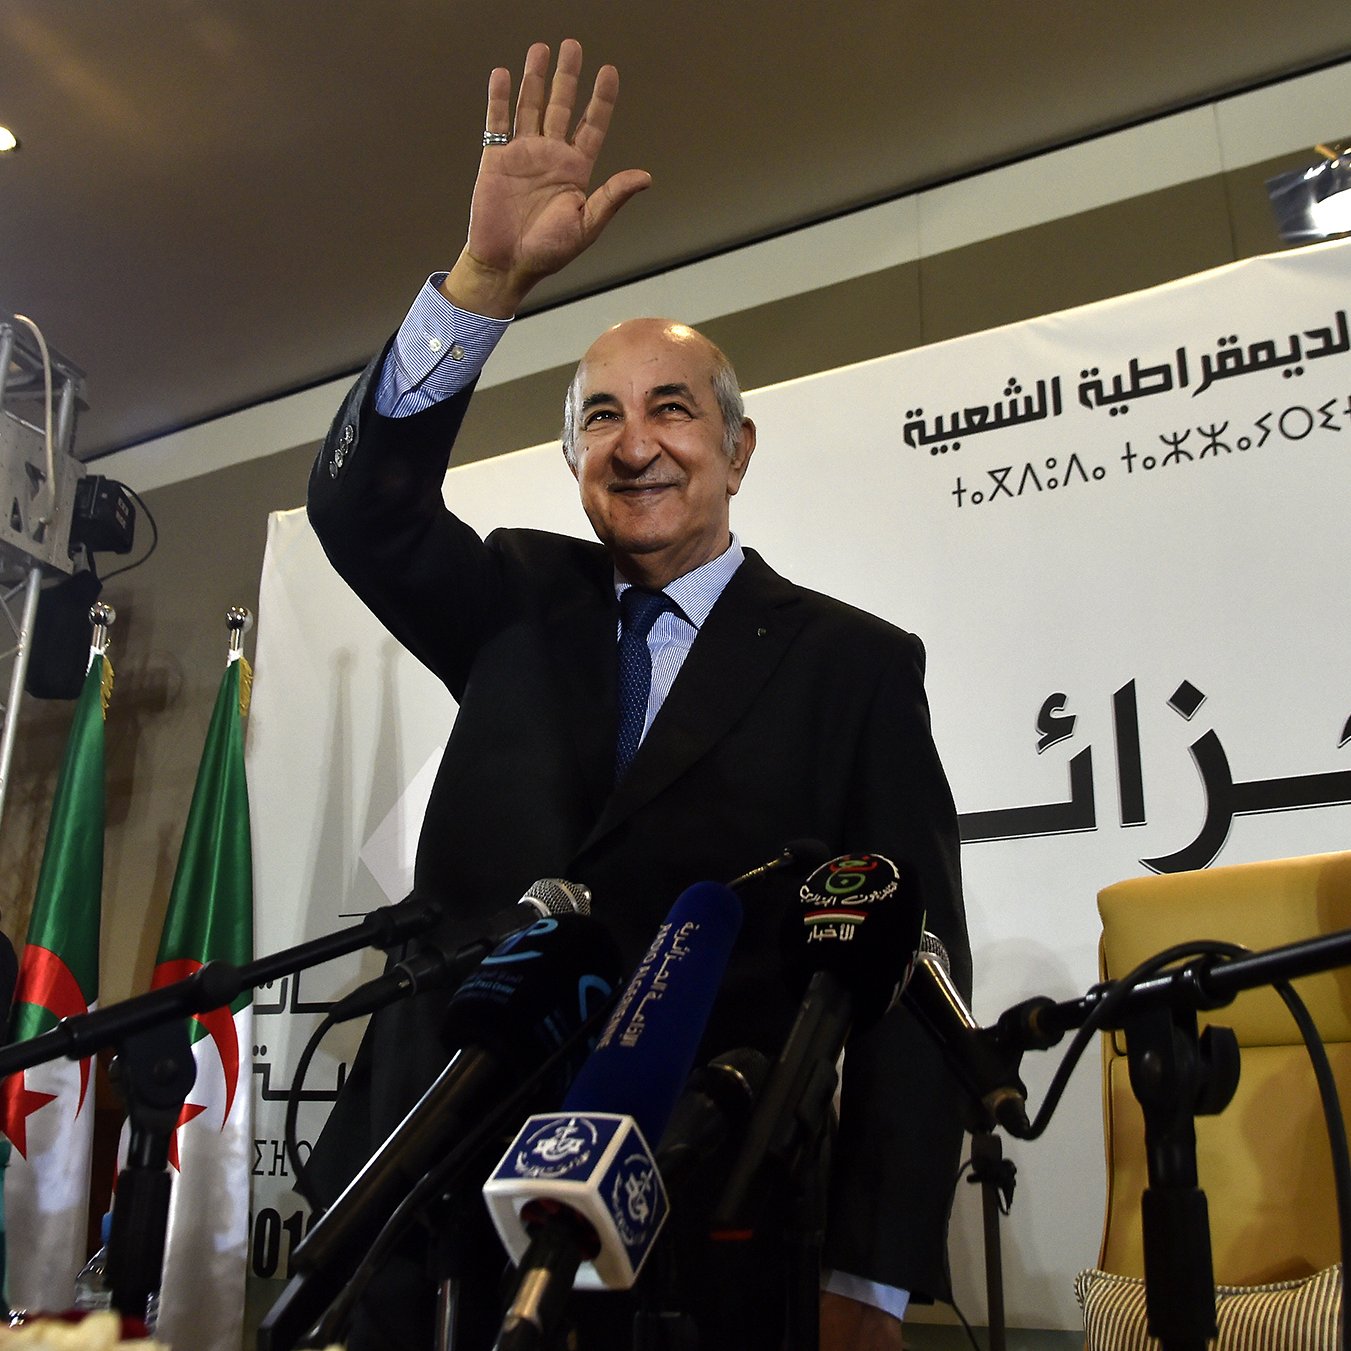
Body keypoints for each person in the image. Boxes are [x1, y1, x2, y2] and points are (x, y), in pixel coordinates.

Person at [306, 39, 971, 1351]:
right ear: (573, 463)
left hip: (694, 1217)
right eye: (600, 417)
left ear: (736, 450)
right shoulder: (512, 602)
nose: (635, 441)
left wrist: (872, 1278)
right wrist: (487, 279)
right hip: (422, 1200)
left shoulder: (851, 666)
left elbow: (913, 979)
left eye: (672, 409)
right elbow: (362, 506)